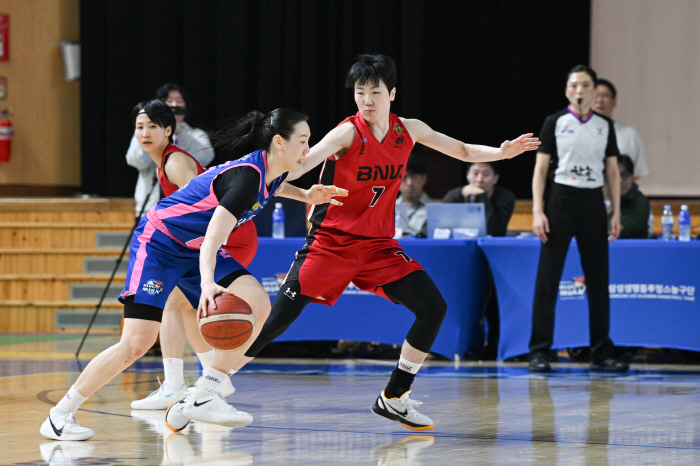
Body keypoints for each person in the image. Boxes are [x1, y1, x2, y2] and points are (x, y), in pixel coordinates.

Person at [211, 54, 539, 433]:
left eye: (375, 92)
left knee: (433, 307)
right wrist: (262, 176)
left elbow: (463, 150)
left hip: (378, 246)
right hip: (331, 242)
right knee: (275, 321)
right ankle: (209, 388)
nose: (367, 100)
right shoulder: (346, 132)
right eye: (360, 92)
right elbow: (297, 166)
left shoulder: (409, 129)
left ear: (392, 93)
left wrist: (502, 152)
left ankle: (395, 396)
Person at [40, 108, 348, 441]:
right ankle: (61, 414)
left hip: (192, 245)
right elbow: (214, 238)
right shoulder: (248, 177)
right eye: (303, 141)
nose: (308, 149)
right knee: (136, 343)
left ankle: (204, 393)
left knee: (259, 304)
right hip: (159, 243)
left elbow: (272, 189)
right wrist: (207, 284)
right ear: (279, 142)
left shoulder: (271, 171)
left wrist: (304, 195)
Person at [126, 99, 254, 410]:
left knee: (173, 302)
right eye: (140, 127)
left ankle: (179, 386)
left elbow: (206, 206)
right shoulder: (162, 163)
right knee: (181, 307)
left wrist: (211, 249)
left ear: (168, 130)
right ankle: (211, 381)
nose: (145, 132)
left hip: (226, 237)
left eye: (153, 126)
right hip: (206, 238)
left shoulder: (174, 162)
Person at [528, 65, 629, 373]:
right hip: (560, 200)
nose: (580, 90)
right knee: (548, 279)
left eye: (586, 85)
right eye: (575, 85)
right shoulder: (554, 122)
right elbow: (541, 170)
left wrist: (616, 211)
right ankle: (539, 352)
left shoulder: (604, 126)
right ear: (567, 90)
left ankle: (601, 352)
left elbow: (612, 170)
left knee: (598, 281)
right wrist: (537, 210)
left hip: (592, 203)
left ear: (593, 90)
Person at [126, 83, 215, 216]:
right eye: (169, 102)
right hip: (149, 208)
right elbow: (135, 160)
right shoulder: (145, 132)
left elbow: (206, 157)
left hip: (182, 214)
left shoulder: (196, 134)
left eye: (179, 101)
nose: (174, 106)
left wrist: (177, 129)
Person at [592, 78, 649, 178]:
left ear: (614, 102)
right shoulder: (577, 132)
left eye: (605, 96)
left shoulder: (629, 133)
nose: (599, 100)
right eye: (594, 96)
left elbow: (636, 172)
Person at [442, 161, 516, 237]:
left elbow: (492, 231)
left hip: (492, 245)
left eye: (486, 174)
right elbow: (443, 229)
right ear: (468, 175)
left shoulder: (505, 197)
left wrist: (481, 196)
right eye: (475, 173)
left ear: (495, 179)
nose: (479, 179)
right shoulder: (453, 196)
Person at [395, 153, 435, 238]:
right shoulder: (387, 209)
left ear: (424, 179)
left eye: (413, 177)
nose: (409, 183)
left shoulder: (435, 210)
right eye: (404, 177)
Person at [616, 155, 650, 239]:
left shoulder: (640, 202)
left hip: (633, 249)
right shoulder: (598, 199)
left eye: (624, 175)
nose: (620, 180)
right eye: (615, 176)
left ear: (632, 177)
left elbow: (621, 231)